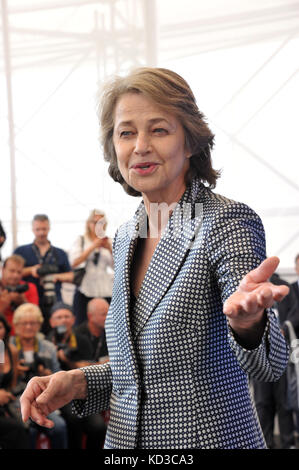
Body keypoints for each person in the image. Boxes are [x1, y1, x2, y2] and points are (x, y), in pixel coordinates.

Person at [20, 67, 290, 449]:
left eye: (159, 129)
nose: (140, 145)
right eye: (126, 132)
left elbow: (269, 364)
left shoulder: (225, 221)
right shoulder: (130, 234)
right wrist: (77, 381)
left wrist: (250, 323)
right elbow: (145, 367)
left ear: (191, 142)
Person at [47, 301, 107, 449]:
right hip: (57, 393)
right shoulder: (47, 341)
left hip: (80, 392)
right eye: (59, 317)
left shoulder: (81, 339)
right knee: (73, 420)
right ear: (51, 322)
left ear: (73, 319)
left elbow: (88, 368)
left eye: (67, 316)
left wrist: (67, 360)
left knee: (99, 427)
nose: (63, 320)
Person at [11, 303, 68, 449]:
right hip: (14, 400)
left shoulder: (48, 347)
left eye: (33, 323)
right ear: (16, 325)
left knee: (59, 426)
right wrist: (15, 371)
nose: (29, 327)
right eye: (24, 323)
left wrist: (49, 376)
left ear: (39, 325)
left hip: (43, 399)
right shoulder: (5, 346)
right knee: (26, 430)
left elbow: (60, 374)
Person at [253, 273, 299, 448]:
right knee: (262, 403)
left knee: (284, 401)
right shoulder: (253, 286)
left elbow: (296, 313)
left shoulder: (284, 286)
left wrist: (284, 328)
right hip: (259, 355)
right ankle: (266, 442)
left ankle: (288, 443)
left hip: (282, 354)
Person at [14, 214, 72, 334]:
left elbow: (71, 276)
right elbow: (11, 273)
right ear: (32, 229)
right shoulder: (21, 251)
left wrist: (55, 276)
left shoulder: (59, 253)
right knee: (31, 331)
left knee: (58, 332)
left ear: (49, 228)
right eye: (38, 229)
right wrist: (31, 270)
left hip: (55, 300)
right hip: (29, 301)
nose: (41, 233)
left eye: (44, 229)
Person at [68, 210, 114, 325]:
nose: (98, 226)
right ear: (89, 224)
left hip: (104, 288)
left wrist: (109, 248)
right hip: (85, 288)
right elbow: (74, 262)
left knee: (107, 323)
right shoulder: (81, 240)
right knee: (81, 322)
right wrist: (92, 247)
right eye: (95, 222)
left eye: (101, 222)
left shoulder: (109, 241)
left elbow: (116, 267)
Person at [0, 314, 30, 449]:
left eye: (0, 327)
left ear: (6, 329)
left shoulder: (9, 350)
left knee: (26, 423)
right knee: (16, 428)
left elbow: (10, 385)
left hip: (7, 402)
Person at [0, 255, 39, 335]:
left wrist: (23, 303)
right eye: (12, 271)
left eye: (19, 272)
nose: (15, 275)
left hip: (24, 335)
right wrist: (3, 304)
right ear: (3, 270)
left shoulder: (28, 288)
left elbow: (36, 317)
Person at [74, 298, 109, 366]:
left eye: (109, 313)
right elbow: (78, 365)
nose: (108, 317)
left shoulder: (112, 332)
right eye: (103, 314)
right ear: (90, 316)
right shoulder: (76, 335)